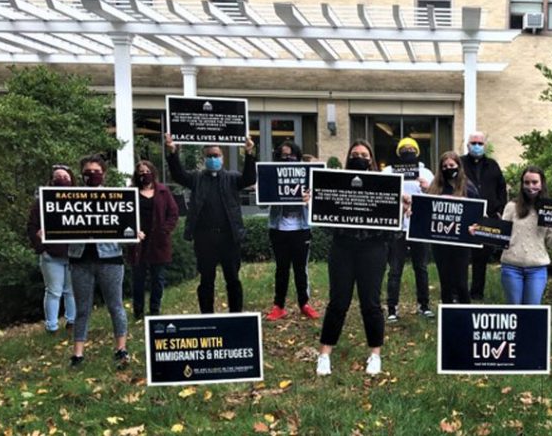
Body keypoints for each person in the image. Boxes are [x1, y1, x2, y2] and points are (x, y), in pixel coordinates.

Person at [315, 140, 400, 376]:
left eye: (364, 154)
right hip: (342, 248)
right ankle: (324, 354)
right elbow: (325, 226)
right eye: (355, 154)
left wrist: (400, 212)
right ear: (348, 157)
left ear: (371, 159)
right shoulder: (337, 184)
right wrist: (313, 204)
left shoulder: (384, 186)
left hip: (373, 249)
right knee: (338, 302)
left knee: (371, 303)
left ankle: (375, 355)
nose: (359, 157)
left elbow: (393, 230)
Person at [165, 133, 256, 314]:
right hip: (204, 238)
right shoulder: (197, 178)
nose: (213, 159)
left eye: (216, 155)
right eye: (209, 156)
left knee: (233, 279)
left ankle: (236, 315)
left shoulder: (232, 178)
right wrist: (173, 153)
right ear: (204, 158)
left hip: (229, 237)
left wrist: (249, 153)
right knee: (206, 280)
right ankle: (207, 315)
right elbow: (178, 175)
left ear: (222, 157)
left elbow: (249, 179)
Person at [68, 155, 131, 367]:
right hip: (80, 258)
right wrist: (46, 232)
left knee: (116, 306)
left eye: (96, 171)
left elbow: (126, 221)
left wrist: (135, 233)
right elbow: (59, 222)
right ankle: (77, 354)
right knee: (82, 308)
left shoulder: (117, 197)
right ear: (81, 174)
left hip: (111, 257)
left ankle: (121, 349)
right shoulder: (69, 198)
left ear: (104, 174)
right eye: (88, 171)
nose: (92, 175)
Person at [486, 166, 552, 305]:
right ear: (522, 184)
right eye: (527, 182)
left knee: (532, 312)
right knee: (514, 311)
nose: (530, 186)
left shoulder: (551, 209)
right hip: (511, 267)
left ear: (542, 184)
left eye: (535, 182)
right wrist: (484, 227)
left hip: (537, 269)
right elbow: (501, 234)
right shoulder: (512, 206)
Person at [266, 141, 320, 321]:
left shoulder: (308, 177)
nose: (288, 159)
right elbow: (261, 201)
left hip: (301, 228)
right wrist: (266, 189)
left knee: (300, 268)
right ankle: (278, 306)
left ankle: (304, 303)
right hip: (278, 228)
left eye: (291, 156)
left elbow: (318, 203)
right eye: (283, 156)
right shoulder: (272, 175)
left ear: (298, 157)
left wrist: (309, 199)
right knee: (281, 268)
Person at [382, 138, 434, 322]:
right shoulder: (388, 171)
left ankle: (424, 305)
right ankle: (392, 308)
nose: (408, 150)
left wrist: (427, 189)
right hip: (397, 227)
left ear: (418, 152)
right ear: (398, 152)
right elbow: (383, 195)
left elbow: (435, 199)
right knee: (395, 269)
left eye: (412, 148)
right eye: (404, 148)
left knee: (421, 268)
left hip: (419, 228)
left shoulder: (426, 173)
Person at [27, 164, 76, 334]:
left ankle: (72, 322)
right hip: (51, 255)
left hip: (73, 254)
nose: (63, 180)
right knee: (54, 291)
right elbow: (32, 227)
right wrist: (41, 246)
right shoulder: (41, 202)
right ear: (52, 180)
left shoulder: (79, 200)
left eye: (66, 177)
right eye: (59, 177)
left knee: (71, 291)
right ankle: (52, 326)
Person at [127, 160, 179, 320]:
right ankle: (138, 310)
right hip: (138, 242)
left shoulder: (163, 191)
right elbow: (124, 216)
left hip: (159, 241)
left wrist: (165, 230)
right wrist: (133, 232)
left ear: (153, 172)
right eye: (141, 172)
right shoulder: (130, 192)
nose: (144, 174)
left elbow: (173, 213)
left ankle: (155, 309)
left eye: (146, 171)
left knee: (158, 278)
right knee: (138, 278)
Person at [427, 151, 480, 304]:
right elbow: (426, 210)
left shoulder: (468, 188)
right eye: (445, 166)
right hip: (440, 242)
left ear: (458, 166)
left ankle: (465, 315)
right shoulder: (435, 188)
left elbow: (477, 212)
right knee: (446, 283)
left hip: (461, 242)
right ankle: (448, 317)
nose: (448, 168)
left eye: (451, 165)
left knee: (461, 283)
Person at [461, 132, 508, 300]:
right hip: (465, 217)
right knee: (463, 257)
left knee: (481, 258)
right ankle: (459, 291)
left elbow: (502, 188)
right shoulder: (460, 163)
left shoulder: (493, 165)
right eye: (473, 142)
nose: (477, 146)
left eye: (480, 143)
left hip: (488, 217)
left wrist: (500, 209)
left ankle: (476, 293)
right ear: (467, 145)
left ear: (485, 145)